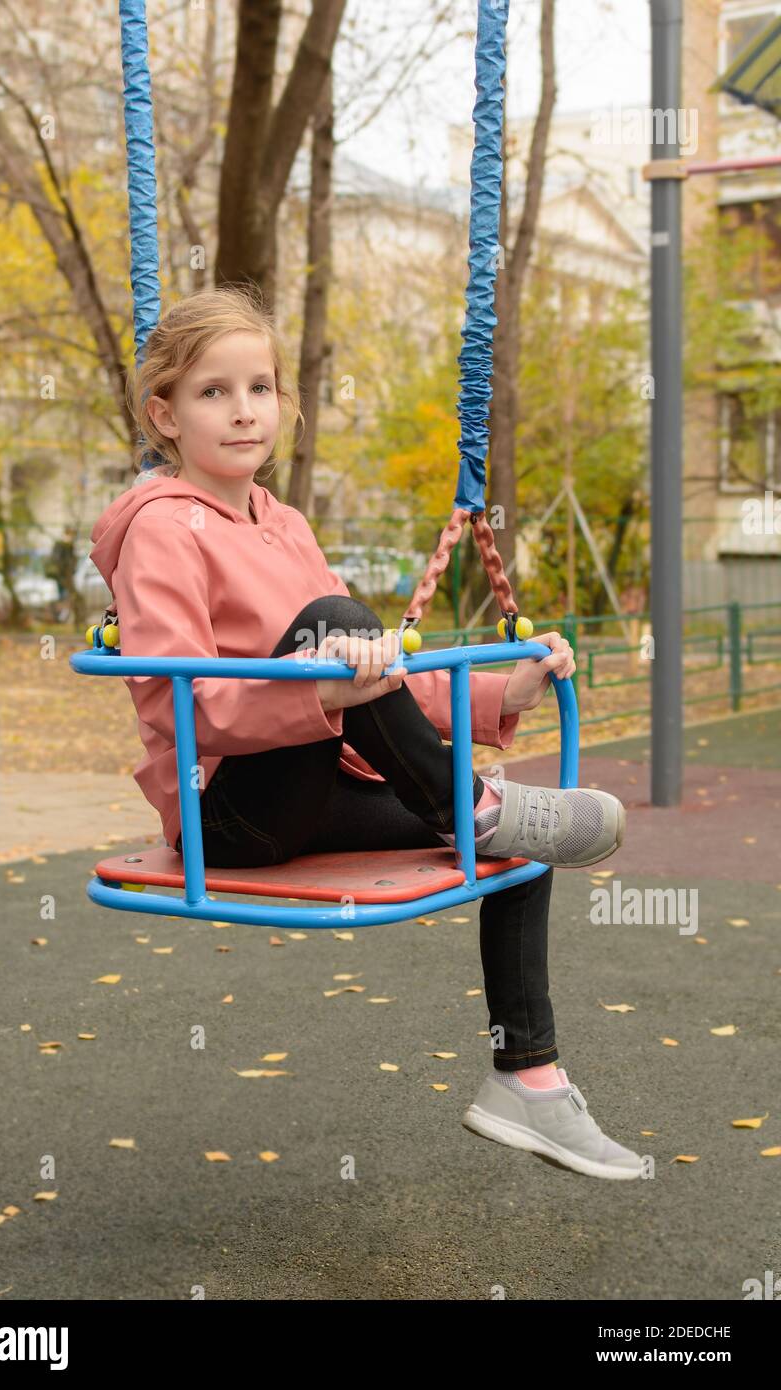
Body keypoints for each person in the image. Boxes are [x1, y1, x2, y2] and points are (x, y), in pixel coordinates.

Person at [89, 286, 644, 1181]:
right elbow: (181, 704)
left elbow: (379, 675)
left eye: (261, 388)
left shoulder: (286, 523)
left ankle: (528, 1079)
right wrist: (325, 678)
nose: (244, 410)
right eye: (213, 392)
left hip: (318, 790)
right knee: (337, 623)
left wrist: (506, 689)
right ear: (165, 412)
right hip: (226, 807)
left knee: (517, 845)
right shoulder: (161, 529)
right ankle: (474, 803)